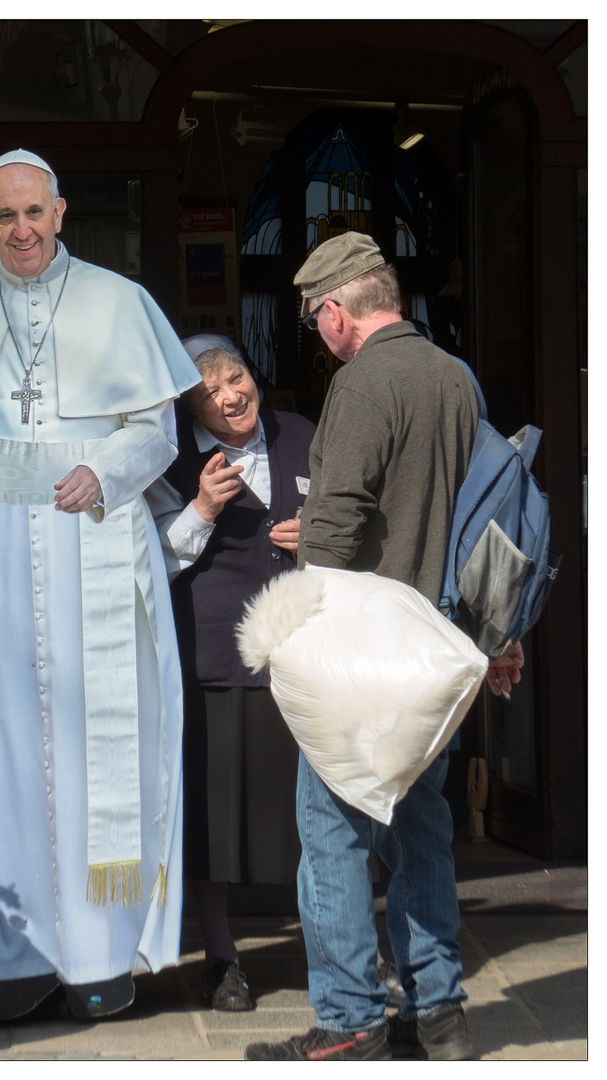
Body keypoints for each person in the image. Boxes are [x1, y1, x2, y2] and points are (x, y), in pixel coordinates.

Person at [0, 149, 201, 1025]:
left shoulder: (118, 299)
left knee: (96, 744)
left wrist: (105, 471)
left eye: (34, 214)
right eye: (3, 216)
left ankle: (100, 955)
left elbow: (158, 429)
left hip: (88, 536)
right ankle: (12, 956)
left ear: (60, 213)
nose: (19, 231)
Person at [244, 232, 524, 1061]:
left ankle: (351, 1018)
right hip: (436, 645)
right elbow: (488, 517)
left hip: (365, 649)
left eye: (312, 316)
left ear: (336, 311)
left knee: (330, 832)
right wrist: (495, 635)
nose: (316, 331)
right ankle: (438, 1014)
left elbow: (334, 523)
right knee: (422, 828)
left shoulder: (362, 383)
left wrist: (301, 570)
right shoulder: (455, 376)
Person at [145, 336, 315, 1011]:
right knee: (213, 821)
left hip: (300, 652)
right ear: (190, 404)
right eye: (210, 389)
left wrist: (320, 535)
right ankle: (221, 960)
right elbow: (148, 562)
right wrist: (202, 511)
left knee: (313, 820)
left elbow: (357, 519)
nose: (230, 394)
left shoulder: (300, 433)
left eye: (236, 376)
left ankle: (339, 953)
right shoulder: (166, 454)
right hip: (210, 654)